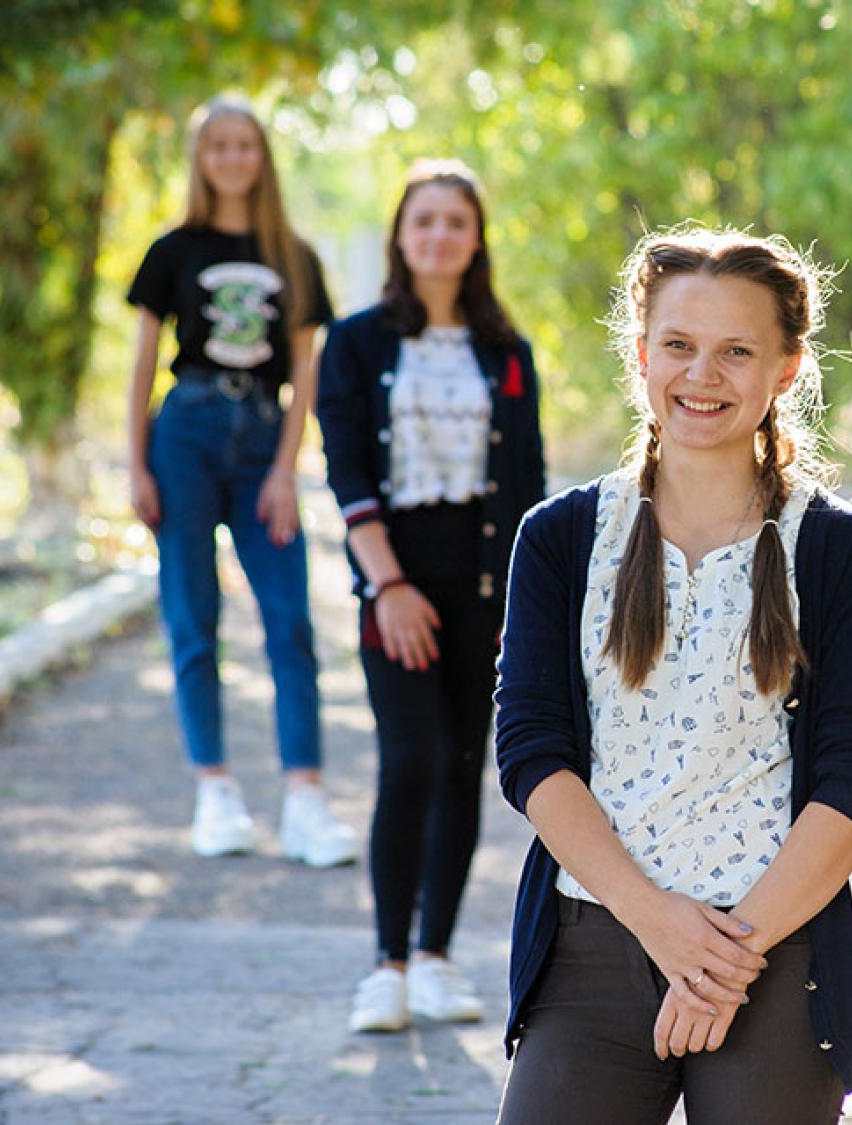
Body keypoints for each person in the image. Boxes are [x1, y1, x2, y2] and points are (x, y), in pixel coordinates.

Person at [492, 228, 852, 1123]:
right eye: (678, 345)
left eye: (737, 351)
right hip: (592, 941)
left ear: (788, 367)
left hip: (775, 947)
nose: (702, 376)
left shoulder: (839, 550)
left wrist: (725, 959)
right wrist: (655, 919)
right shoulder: (560, 538)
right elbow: (531, 752)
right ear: (641, 354)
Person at [315, 160, 546, 1032]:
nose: (440, 235)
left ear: (476, 237)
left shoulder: (508, 352)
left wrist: (530, 611)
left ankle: (440, 958)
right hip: (395, 583)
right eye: (425, 221)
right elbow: (347, 471)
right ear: (401, 236)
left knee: (460, 766)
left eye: (456, 221)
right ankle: (387, 964)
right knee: (409, 759)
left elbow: (527, 481)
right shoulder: (358, 341)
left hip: (488, 589)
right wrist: (390, 587)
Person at [126, 96, 357, 867]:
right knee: (193, 618)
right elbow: (140, 363)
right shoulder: (171, 250)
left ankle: (305, 799)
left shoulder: (293, 254)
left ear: (261, 156)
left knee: (289, 621)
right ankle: (215, 790)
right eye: (217, 145)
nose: (232, 157)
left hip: (263, 438)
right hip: (184, 431)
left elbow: (305, 368)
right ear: (201, 157)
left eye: (245, 144)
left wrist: (289, 468)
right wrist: (135, 462)